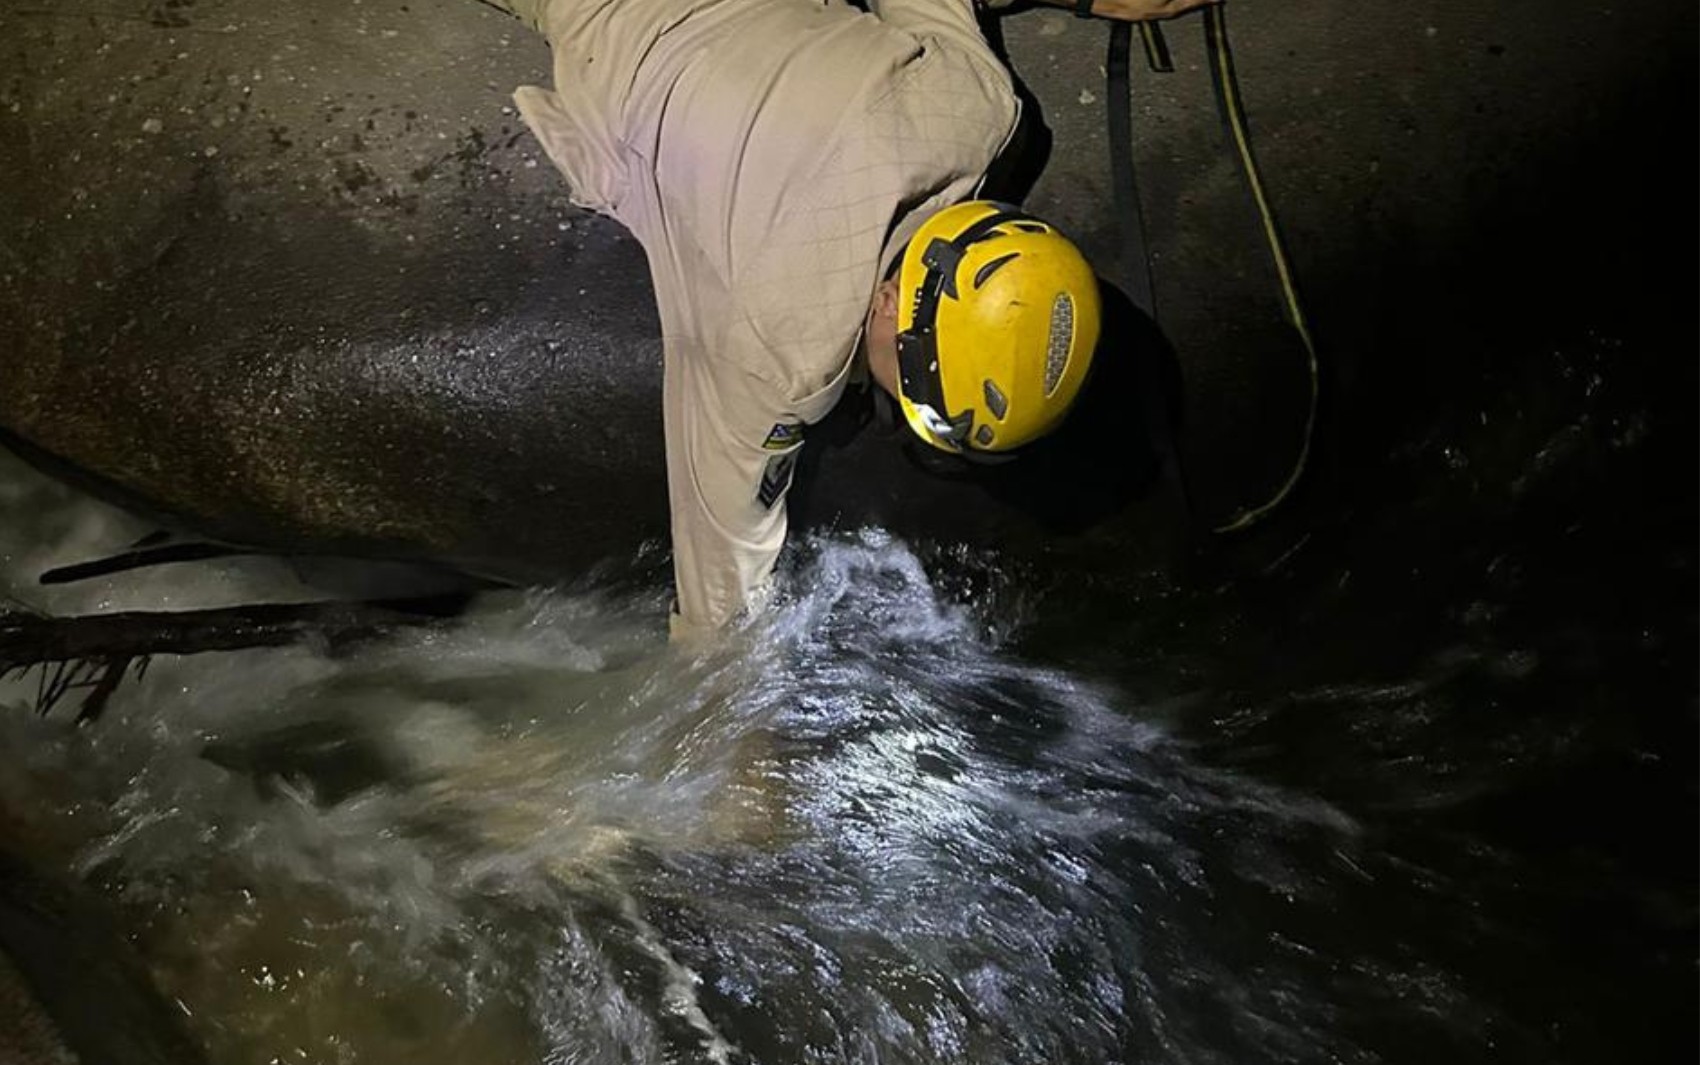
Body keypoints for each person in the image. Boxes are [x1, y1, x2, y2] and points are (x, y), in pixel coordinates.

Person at [481, 0, 1212, 638]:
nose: (897, 407)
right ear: (893, 305)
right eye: (913, 402)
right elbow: (723, 581)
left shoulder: (979, 110)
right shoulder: (782, 351)